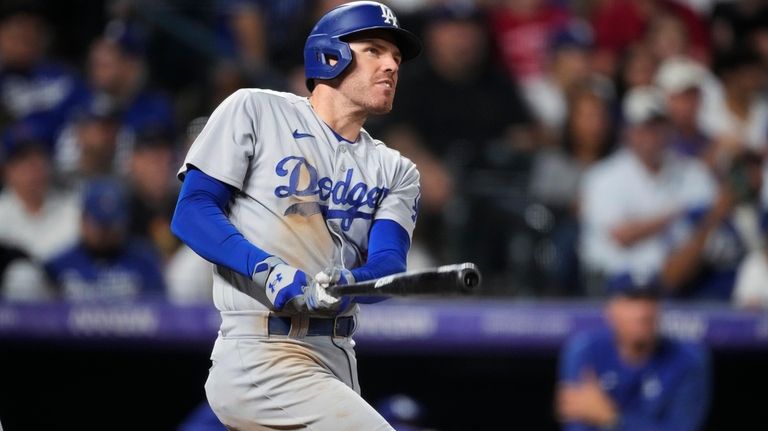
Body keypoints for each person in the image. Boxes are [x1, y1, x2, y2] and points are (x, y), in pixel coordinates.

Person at [170, 2, 422, 429]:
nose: (391, 66)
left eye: (396, 58)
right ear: (330, 55)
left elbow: (388, 267)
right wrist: (267, 269)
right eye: (376, 50)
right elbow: (192, 211)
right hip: (262, 350)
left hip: (337, 357)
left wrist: (350, 282)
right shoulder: (256, 109)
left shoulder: (398, 170)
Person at [579, 86, 715, 294]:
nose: (651, 135)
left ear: (670, 128)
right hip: (614, 284)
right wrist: (678, 213)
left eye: (658, 126)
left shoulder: (691, 172)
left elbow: (713, 217)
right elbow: (622, 235)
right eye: (643, 127)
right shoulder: (603, 176)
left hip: (682, 281)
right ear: (627, 131)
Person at [556, 273, 711, 431]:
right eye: (632, 300)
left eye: (650, 300)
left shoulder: (687, 359)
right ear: (610, 310)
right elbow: (576, 426)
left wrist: (611, 419)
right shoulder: (584, 351)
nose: (643, 312)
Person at [45, 179, 165, 301]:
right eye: (100, 224)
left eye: (112, 224)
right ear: (83, 220)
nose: (106, 232)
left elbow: (159, 311)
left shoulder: (144, 262)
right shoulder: (59, 265)